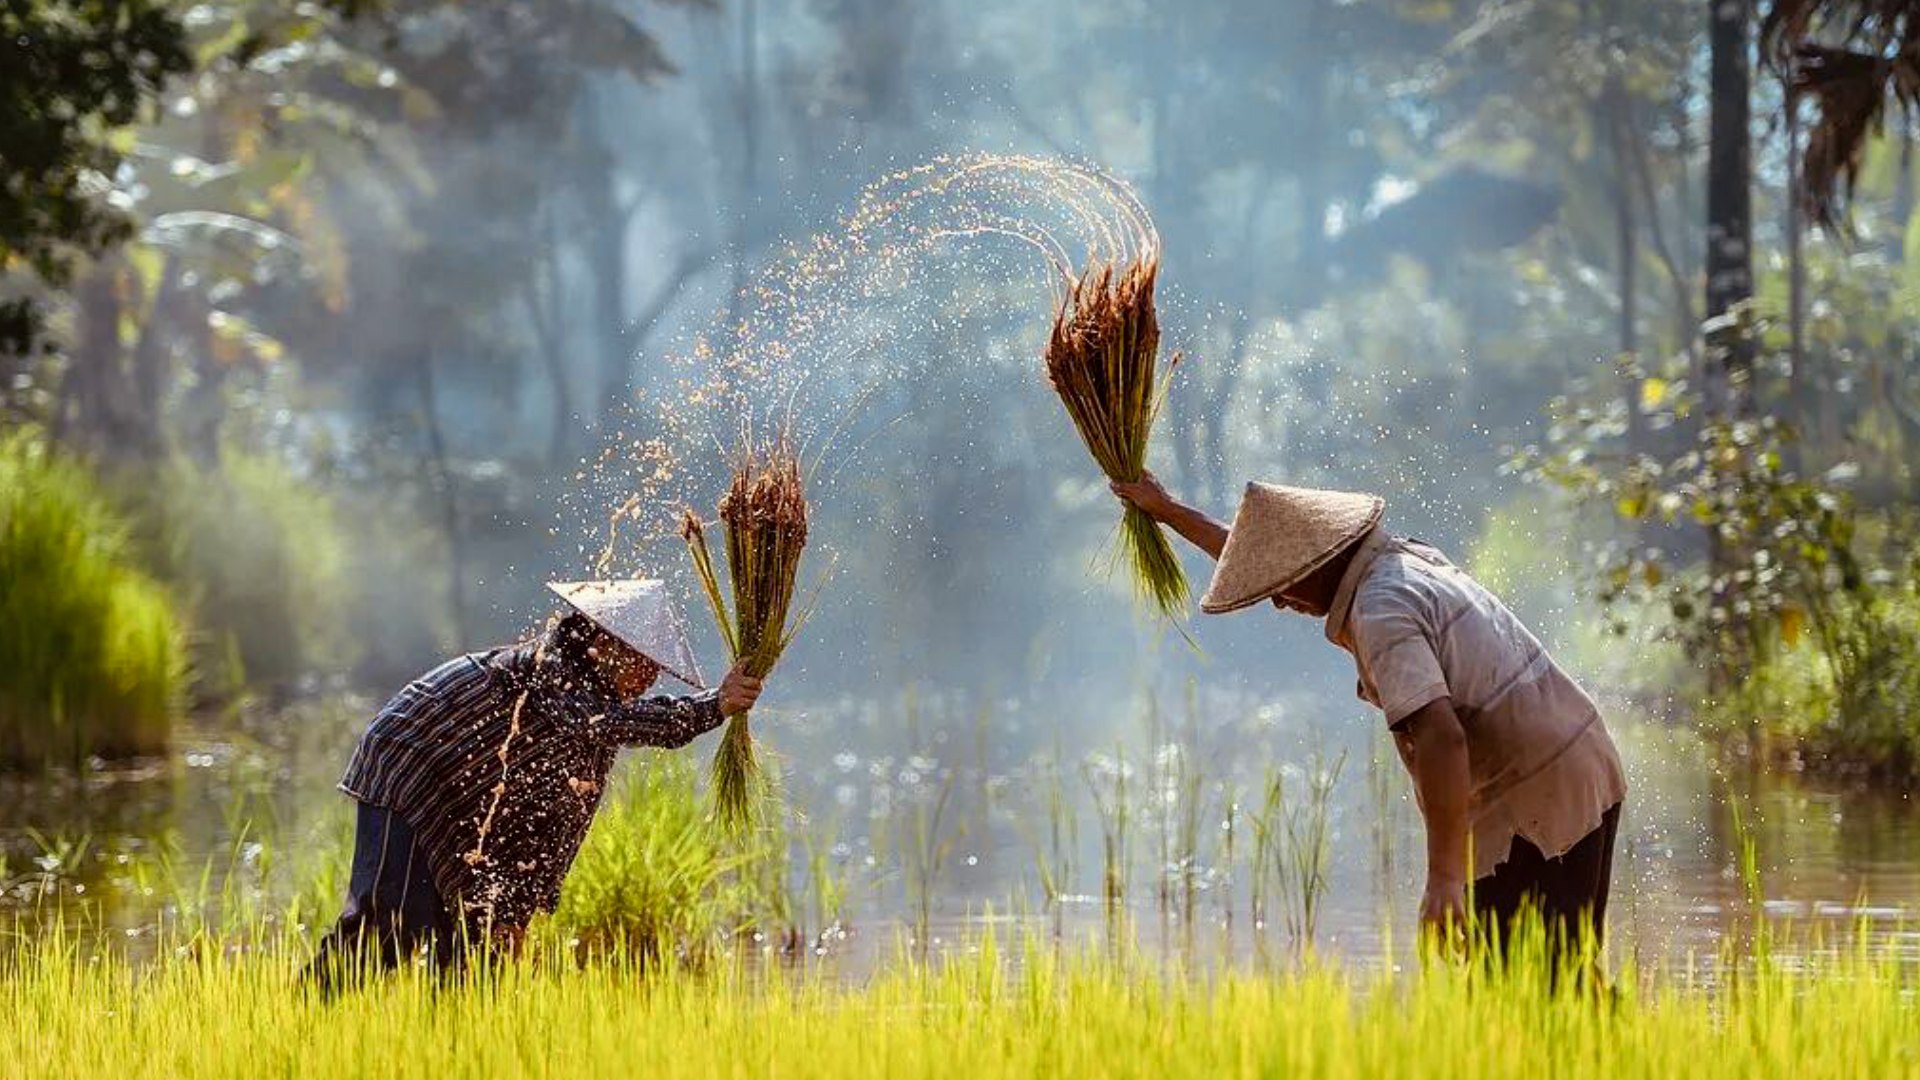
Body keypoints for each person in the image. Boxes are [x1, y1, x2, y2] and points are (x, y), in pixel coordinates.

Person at [1112, 472, 1626, 968]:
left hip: (1537, 794)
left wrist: (1444, 878)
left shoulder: (1382, 609)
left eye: (1282, 581)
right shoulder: (1400, 561)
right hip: (1577, 761)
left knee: (1530, 989)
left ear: (1317, 561)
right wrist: (1170, 512)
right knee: (1559, 981)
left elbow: (1440, 737)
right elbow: (1261, 559)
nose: (1275, 598)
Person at [306, 579, 763, 987]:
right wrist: (712, 706)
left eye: (655, 666)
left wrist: (518, 909)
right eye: (643, 661)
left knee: (477, 943)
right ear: (605, 644)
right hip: (409, 759)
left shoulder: (594, 710)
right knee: (394, 916)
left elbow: (558, 820)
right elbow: (610, 722)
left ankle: (459, 1047)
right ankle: (310, 1009)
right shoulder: (556, 670)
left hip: (467, 793)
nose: (649, 677)